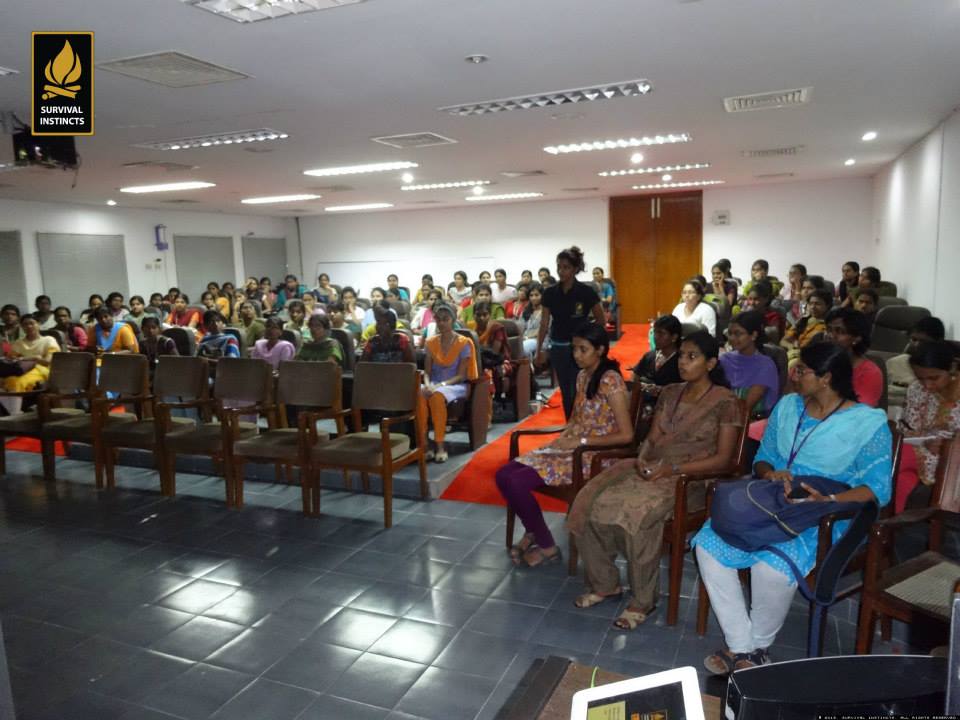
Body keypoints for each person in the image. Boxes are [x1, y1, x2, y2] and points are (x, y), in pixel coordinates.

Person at [693, 342, 892, 673]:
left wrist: (827, 500)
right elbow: (763, 457)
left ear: (826, 378)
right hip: (769, 503)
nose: (793, 376)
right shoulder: (787, 407)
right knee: (708, 546)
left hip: (825, 514)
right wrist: (770, 472)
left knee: (769, 567)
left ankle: (753, 649)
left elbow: (876, 489)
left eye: (801, 370)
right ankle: (746, 648)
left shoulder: (866, 423)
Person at [569, 331, 740, 628]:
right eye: (682, 355)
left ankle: (643, 600)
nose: (684, 363)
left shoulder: (726, 402)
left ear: (711, 363)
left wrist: (671, 470)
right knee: (592, 502)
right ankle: (605, 583)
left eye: (692, 357)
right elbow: (653, 437)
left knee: (638, 515)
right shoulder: (671, 392)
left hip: (692, 480)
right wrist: (645, 460)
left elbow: (725, 460)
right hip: (653, 469)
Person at [496, 322, 633, 566]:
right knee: (504, 474)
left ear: (600, 350)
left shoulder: (611, 381)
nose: (576, 355)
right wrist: (563, 439)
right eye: (574, 349)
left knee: (516, 481)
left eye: (583, 349)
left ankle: (546, 544)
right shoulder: (583, 376)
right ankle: (534, 531)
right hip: (574, 447)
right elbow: (577, 419)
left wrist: (579, 441)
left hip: (596, 455)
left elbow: (626, 436)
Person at [536, 246, 606, 418]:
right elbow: (544, 323)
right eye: (559, 267)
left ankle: (583, 423)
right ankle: (570, 424)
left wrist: (592, 344)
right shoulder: (550, 292)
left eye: (566, 267)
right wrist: (539, 350)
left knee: (580, 388)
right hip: (559, 347)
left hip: (581, 348)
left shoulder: (586, 291)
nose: (561, 271)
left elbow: (601, 320)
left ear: (575, 269)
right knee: (566, 390)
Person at [895, 341, 960, 513]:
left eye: (934, 378)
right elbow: (906, 428)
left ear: (952, 367)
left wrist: (948, 446)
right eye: (920, 378)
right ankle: (889, 530)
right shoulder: (916, 389)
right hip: (919, 453)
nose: (927, 385)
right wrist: (924, 440)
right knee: (899, 476)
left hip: (952, 463)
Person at [420, 304, 479, 463]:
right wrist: (426, 384)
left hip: (455, 385)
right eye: (438, 319)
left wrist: (440, 386)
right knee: (418, 393)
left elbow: (460, 375)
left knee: (437, 396)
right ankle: (425, 444)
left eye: (445, 319)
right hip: (433, 383)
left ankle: (440, 446)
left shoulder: (464, 342)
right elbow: (426, 372)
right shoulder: (431, 342)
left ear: (453, 320)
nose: (441, 323)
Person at [721, 311, 780, 417]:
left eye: (738, 334)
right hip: (723, 415)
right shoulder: (725, 359)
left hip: (752, 419)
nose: (732, 338)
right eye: (730, 334)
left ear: (753, 335)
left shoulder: (765, 365)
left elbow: (747, 406)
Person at [0, 314, 60, 416]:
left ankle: (15, 414)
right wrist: (35, 358)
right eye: (25, 324)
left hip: (41, 369)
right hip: (20, 370)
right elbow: (12, 360)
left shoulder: (48, 340)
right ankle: (14, 412)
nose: (29, 326)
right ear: (22, 327)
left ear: (38, 324)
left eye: (31, 323)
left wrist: (30, 359)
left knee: (18, 382)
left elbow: (47, 361)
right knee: (9, 380)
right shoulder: (18, 343)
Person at [825, 307, 883, 407]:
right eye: (829, 329)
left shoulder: (870, 373)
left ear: (857, 338)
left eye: (839, 331)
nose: (831, 335)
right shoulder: (818, 362)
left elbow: (860, 413)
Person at [887, 316, 946, 397]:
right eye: (914, 339)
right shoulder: (894, 363)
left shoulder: (945, 369)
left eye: (924, 341)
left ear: (938, 342)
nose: (917, 345)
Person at [631, 315, 682, 400]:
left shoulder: (681, 361)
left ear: (674, 337)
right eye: (655, 332)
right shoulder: (649, 356)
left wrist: (660, 390)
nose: (655, 336)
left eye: (661, 333)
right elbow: (634, 376)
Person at [474, 301, 513, 401]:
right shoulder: (472, 328)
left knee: (490, 370)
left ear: (490, 315)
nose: (481, 318)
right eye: (478, 315)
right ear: (473, 315)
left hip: (497, 361)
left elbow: (495, 353)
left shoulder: (496, 328)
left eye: (484, 315)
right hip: (478, 360)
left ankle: (495, 399)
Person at [780, 288, 832, 364]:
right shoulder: (803, 321)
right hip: (794, 354)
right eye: (810, 303)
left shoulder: (830, 325)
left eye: (817, 304)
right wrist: (791, 346)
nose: (813, 307)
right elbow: (783, 341)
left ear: (827, 306)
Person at [522, 284, 548, 357]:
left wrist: (528, 337)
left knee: (523, 347)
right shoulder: (527, 311)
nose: (533, 298)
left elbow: (545, 330)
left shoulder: (547, 311)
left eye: (537, 295)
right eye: (531, 295)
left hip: (541, 340)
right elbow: (522, 327)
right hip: (525, 338)